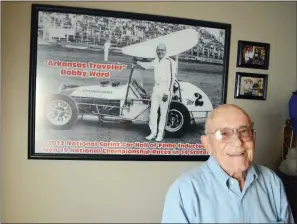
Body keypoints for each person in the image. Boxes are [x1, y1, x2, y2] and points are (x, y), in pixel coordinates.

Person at [161, 104, 294, 223]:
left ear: (254, 137)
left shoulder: (271, 181)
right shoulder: (184, 191)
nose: (238, 142)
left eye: (244, 131)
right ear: (207, 143)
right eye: (224, 134)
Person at [133, 43, 176, 142]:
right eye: (158, 50)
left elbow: (172, 78)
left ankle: (160, 134)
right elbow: (147, 66)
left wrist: (167, 92)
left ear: (165, 51)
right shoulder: (156, 61)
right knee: (152, 113)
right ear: (156, 51)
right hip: (156, 89)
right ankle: (153, 133)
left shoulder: (170, 62)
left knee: (163, 114)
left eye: (162, 50)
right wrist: (137, 61)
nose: (160, 51)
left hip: (165, 90)